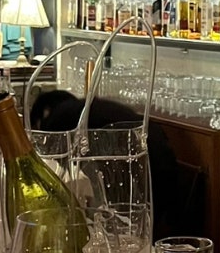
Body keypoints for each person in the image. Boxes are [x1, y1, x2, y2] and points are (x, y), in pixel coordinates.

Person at [30, 89, 179, 241]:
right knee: (145, 226)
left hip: (143, 156)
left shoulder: (58, 117)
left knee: (134, 229)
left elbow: (52, 166)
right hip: (157, 146)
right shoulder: (83, 108)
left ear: (41, 116)